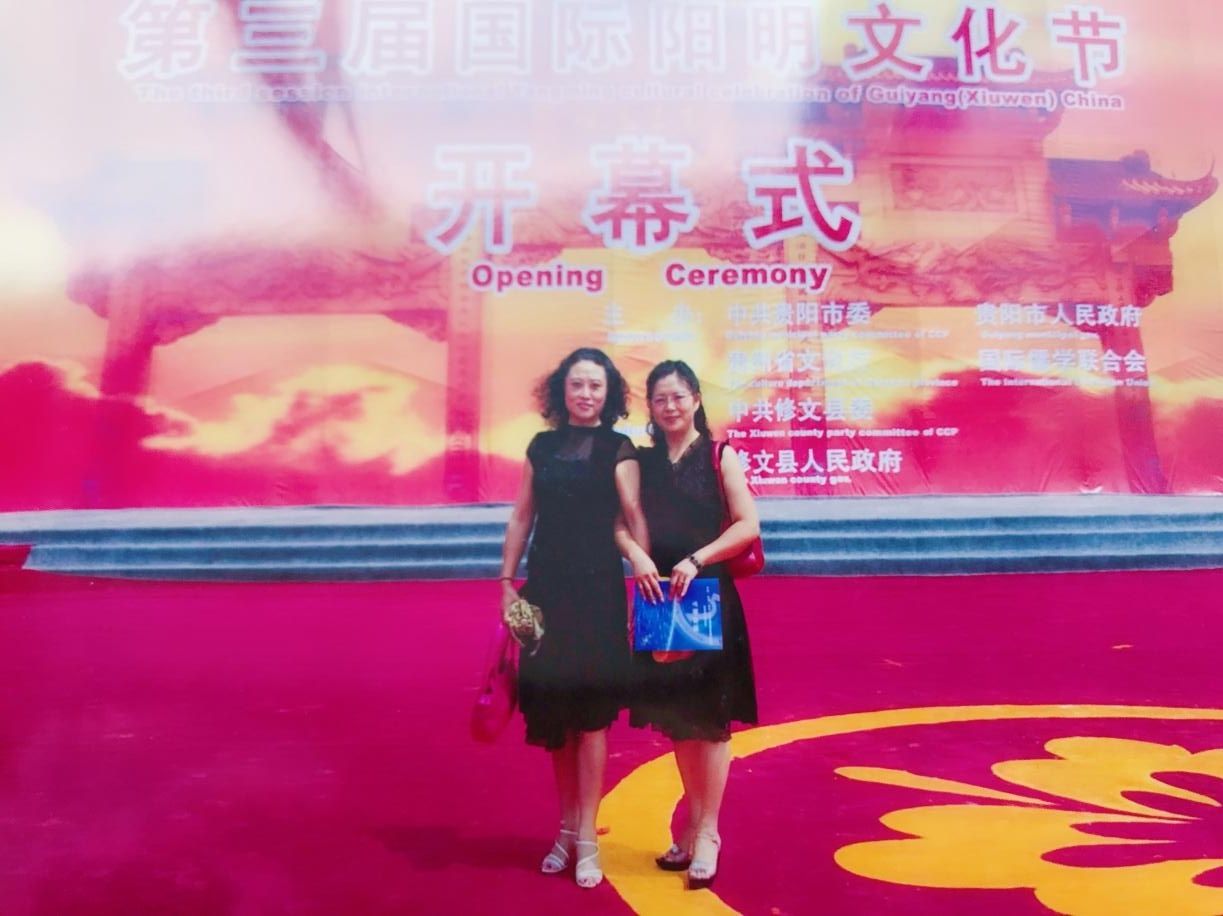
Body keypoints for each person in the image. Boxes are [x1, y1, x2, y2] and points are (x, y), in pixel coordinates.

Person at [498, 347, 649, 890]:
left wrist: (644, 581)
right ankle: (564, 829)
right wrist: (506, 582)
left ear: (609, 395)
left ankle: (587, 835)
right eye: (577, 384)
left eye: (595, 386)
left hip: (598, 596)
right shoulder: (540, 447)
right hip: (545, 596)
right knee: (556, 718)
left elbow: (633, 518)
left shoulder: (618, 448)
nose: (586, 394)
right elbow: (522, 517)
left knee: (591, 720)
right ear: (561, 390)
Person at [616, 359, 759, 891]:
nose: (670, 406)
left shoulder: (720, 456)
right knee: (679, 720)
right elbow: (619, 524)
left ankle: (710, 832)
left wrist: (699, 559)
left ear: (696, 398)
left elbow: (748, 525)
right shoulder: (642, 462)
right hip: (659, 598)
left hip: (707, 598)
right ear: (650, 407)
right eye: (660, 399)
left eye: (678, 396)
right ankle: (692, 825)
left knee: (711, 720)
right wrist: (636, 556)